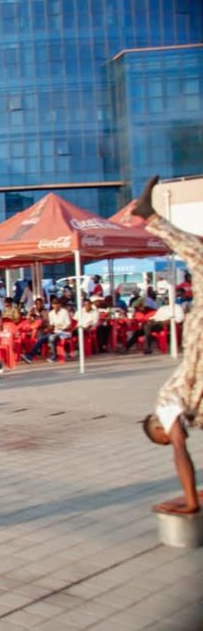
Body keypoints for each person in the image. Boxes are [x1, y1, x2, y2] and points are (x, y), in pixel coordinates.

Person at [131, 177, 203, 514]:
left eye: (164, 437)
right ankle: (150, 217)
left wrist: (190, 502)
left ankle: (150, 217)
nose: (174, 439)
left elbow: (179, 451)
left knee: (200, 256)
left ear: (158, 425)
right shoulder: (195, 414)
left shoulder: (166, 404)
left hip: (199, 346)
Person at [21, 297, 72, 364]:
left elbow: (69, 325)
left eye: (57, 304)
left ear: (60, 304)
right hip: (55, 332)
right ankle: (29, 356)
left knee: (52, 337)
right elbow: (52, 325)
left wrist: (61, 329)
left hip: (64, 332)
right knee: (41, 339)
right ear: (52, 305)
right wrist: (48, 329)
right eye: (54, 304)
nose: (56, 306)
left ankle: (54, 356)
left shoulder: (64, 312)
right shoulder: (51, 313)